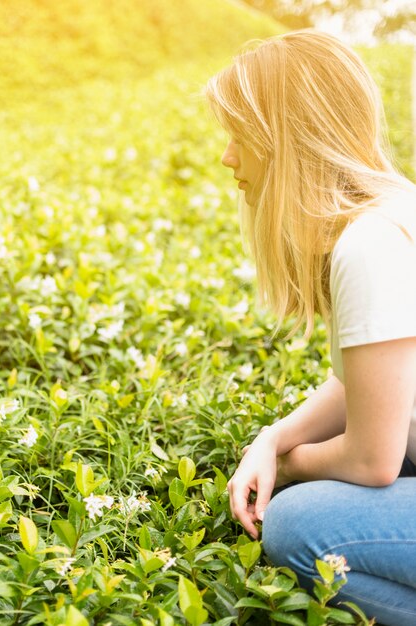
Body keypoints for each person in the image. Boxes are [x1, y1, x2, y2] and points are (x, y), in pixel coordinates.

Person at [204, 30, 416, 626]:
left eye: (239, 136)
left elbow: (374, 459)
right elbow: (372, 384)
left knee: (302, 523)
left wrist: (295, 467)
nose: (227, 157)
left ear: (285, 141)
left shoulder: (370, 245)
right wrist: (274, 437)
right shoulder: (393, 213)